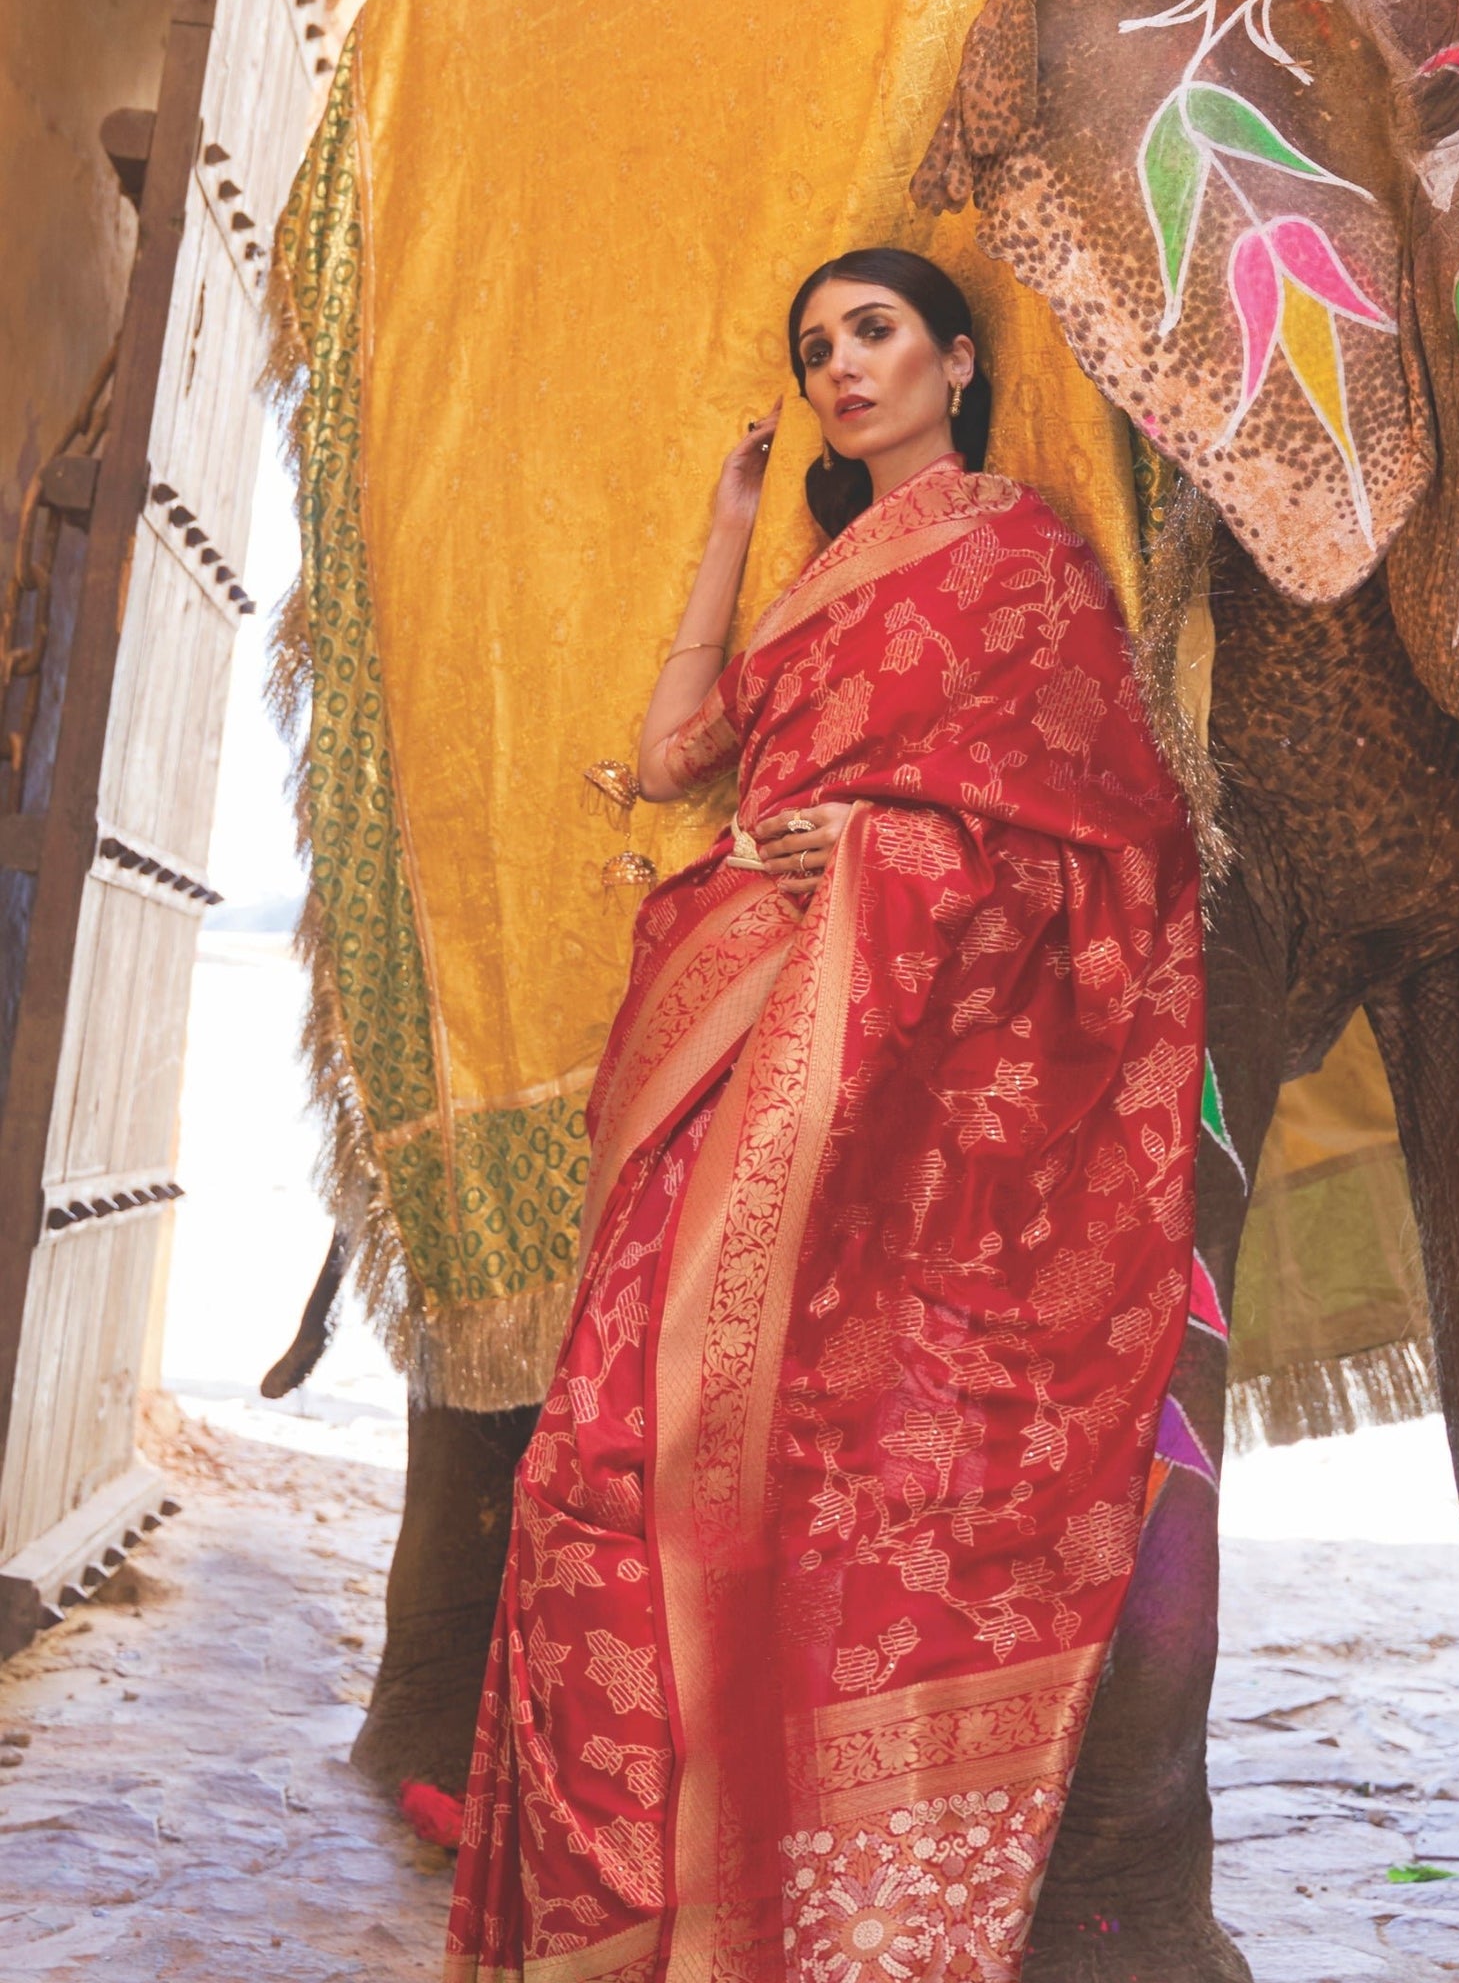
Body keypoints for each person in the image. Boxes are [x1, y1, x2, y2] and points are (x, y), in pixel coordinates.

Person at [446, 248, 1204, 1983]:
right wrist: (727, 531)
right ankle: (618, 1917)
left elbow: (1108, 844)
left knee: (772, 1461)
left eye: (873, 334)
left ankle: (794, 1908)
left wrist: (887, 852)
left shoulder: (1024, 560)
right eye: (816, 352)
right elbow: (668, 755)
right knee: (597, 1454)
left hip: (888, 1064)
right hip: (731, 1034)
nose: (844, 369)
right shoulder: (811, 584)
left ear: (954, 357)